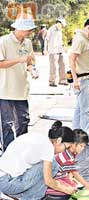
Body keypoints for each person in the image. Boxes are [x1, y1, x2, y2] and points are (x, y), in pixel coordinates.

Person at [0, 121, 77, 200]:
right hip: (7, 183)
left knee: (48, 166)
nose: (64, 151)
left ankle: (19, 195)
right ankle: (28, 198)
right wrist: (66, 189)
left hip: (4, 179)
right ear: (59, 141)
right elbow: (48, 181)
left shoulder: (41, 138)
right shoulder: (48, 148)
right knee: (53, 165)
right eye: (66, 147)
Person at [0, 13, 37, 152]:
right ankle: (8, 152)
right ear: (20, 28)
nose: (31, 32)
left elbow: (29, 61)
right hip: (5, 90)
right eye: (29, 30)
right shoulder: (3, 41)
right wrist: (19, 60)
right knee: (6, 124)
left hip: (22, 90)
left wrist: (32, 69)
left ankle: (22, 150)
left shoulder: (27, 43)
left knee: (23, 121)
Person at [45, 129, 89, 200]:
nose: (82, 149)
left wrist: (70, 178)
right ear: (73, 143)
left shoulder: (70, 152)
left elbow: (69, 171)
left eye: (84, 147)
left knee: (73, 185)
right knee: (72, 190)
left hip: (57, 178)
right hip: (53, 187)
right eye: (81, 146)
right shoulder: (67, 157)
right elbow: (76, 174)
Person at [45, 17, 67, 87]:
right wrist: (45, 49)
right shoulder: (51, 29)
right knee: (53, 67)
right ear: (58, 23)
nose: (62, 26)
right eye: (62, 25)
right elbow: (46, 40)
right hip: (53, 50)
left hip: (60, 50)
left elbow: (60, 40)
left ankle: (62, 80)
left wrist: (63, 46)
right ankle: (52, 81)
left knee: (62, 65)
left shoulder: (60, 30)